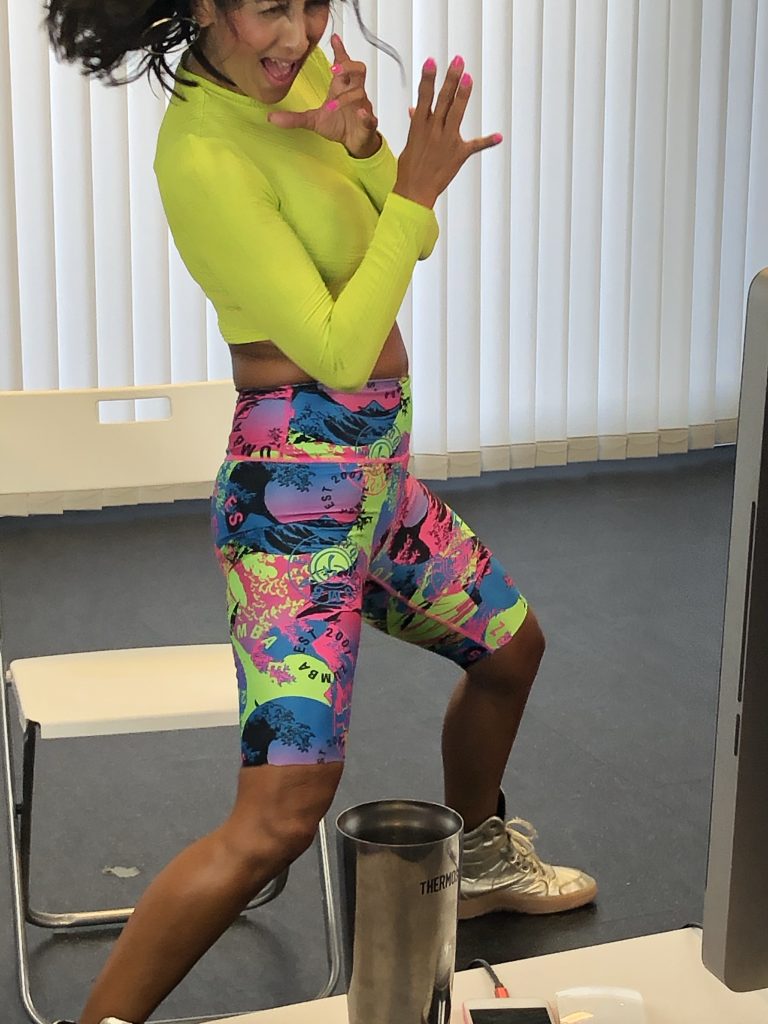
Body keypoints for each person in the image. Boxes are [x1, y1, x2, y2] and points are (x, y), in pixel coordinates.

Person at [45, 2, 597, 1023]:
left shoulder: (301, 76)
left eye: (312, 0)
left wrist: (370, 150)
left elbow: (399, 241)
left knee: (510, 650)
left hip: (375, 483)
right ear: (206, 4)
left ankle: (476, 860)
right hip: (294, 497)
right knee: (278, 819)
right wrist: (415, 189)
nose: (299, 33)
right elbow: (340, 348)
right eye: (270, 7)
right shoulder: (200, 153)